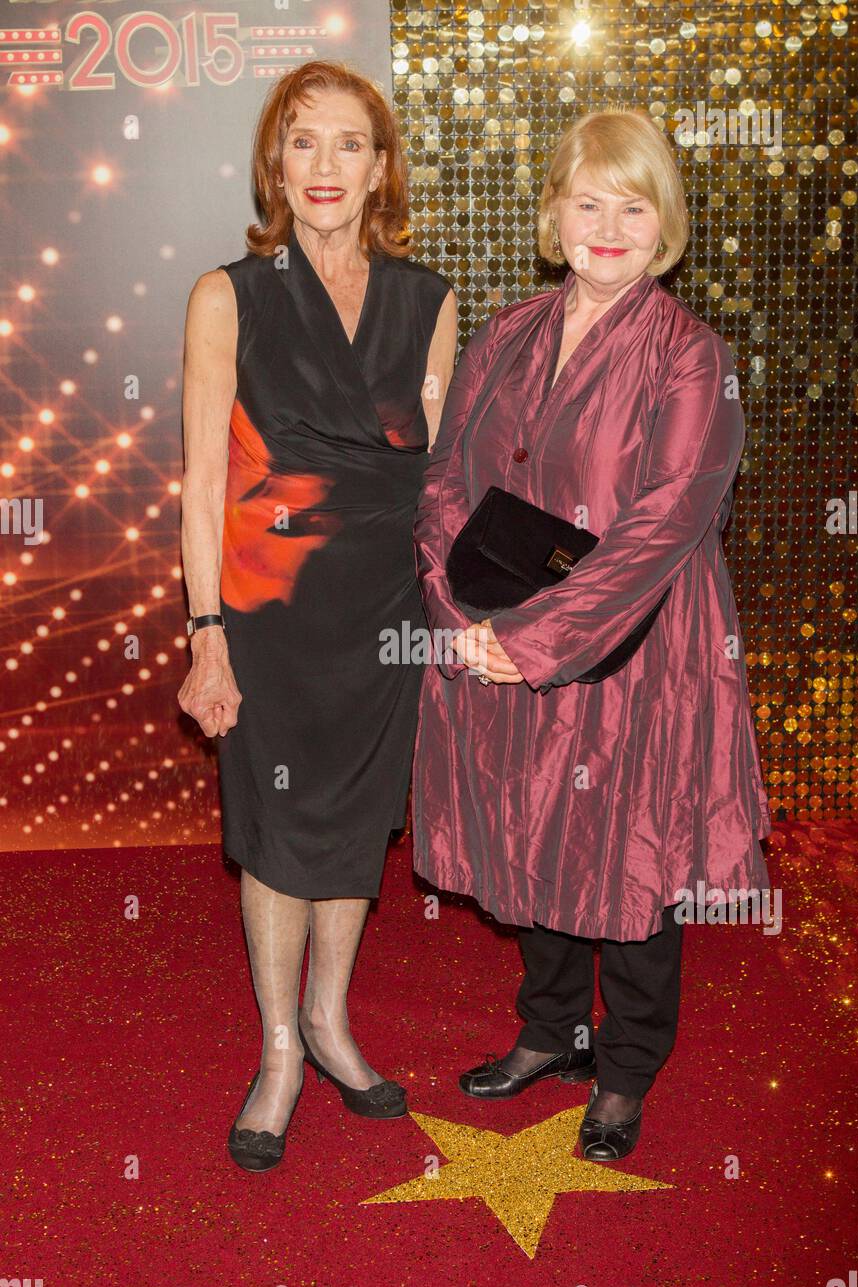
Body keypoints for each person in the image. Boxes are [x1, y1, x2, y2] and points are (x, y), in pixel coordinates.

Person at [412, 106, 772, 1162]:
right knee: (533, 834)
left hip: (637, 649)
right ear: (552, 212)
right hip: (503, 632)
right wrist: (465, 616)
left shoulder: (690, 358)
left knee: (629, 857)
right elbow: (442, 484)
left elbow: (667, 524)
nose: (605, 225)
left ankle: (625, 1067)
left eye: (630, 204)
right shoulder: (506, 332)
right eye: (584, 200)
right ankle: (551, 1031)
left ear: (662, 224)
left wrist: (533, 640)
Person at [179, 61, 456, 1171]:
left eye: (350, 143)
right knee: (279, 837)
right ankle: (280, 1050)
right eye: (303, 142)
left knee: (350, 831)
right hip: (267, 611)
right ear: (274, 164)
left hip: (384, 618)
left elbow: (434, 481)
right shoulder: (227, 295)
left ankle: (333, 1022)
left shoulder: (427, 302)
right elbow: (201, 482)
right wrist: (206, 633)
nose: (326, 166)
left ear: (380, 166)